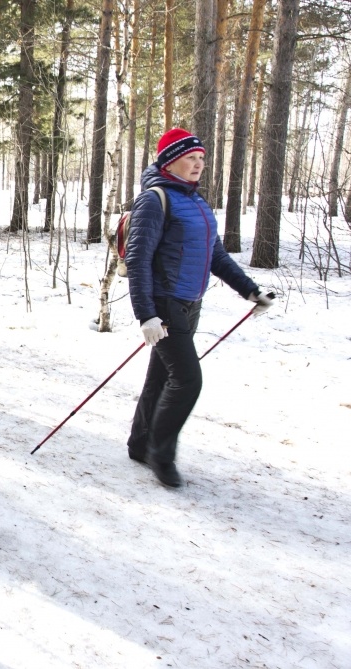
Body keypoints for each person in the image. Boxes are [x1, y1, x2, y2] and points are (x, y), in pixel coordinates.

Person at [125, 128, 273, 488]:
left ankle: (140, 443)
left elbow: (216, 256)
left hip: (190, 303)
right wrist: (146, 314)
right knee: (188, 380)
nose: (198, 165)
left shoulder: (196, 202)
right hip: (166, 305)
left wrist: (250, 291)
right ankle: (161, 454)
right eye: (190, 159)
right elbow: (138, 258)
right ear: (170, 162)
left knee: (161, 377)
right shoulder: (155, 199)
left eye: (202, 158)